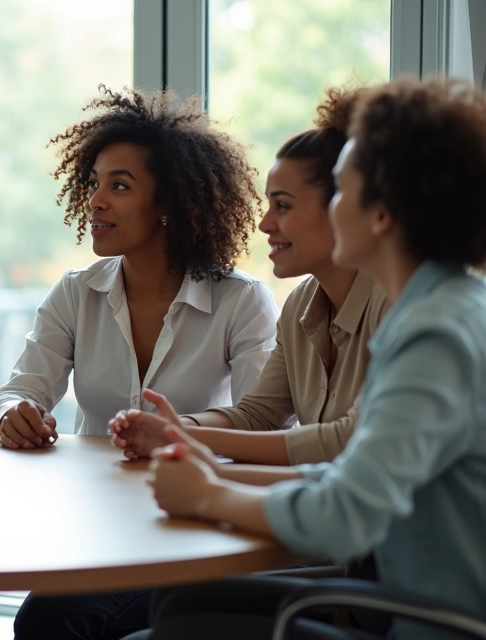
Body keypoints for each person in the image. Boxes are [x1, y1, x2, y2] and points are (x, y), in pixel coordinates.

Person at [129, 76, 486, 640]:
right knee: (180, 605)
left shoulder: (433, 334)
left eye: (341, 192)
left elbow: (347, 515)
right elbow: (355, 471)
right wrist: (216, 470)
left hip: (425, 624)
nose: (267, 222)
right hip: (398, 601)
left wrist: (210, 494)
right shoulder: (442, 308)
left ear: (382, 214)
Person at [0, 86, 278, 640]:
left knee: (59, 620)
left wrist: (180, 437)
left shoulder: (241, 301)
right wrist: (14, 412)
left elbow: (262, 423)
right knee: (49, 619)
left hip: (196, 521)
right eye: (94, 183)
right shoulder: (77, 293)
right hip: (96, 522)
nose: (96, 201)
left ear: (171, 204)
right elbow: (19, 389)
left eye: (119, 186)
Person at [110, 87, 388, 467]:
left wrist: (190, 448)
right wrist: (174, 428)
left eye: (283, 206)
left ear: (345, 204)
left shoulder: (396, 305)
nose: (264, 224)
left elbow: (348, 443)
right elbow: (258, 415)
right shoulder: (302, 304)